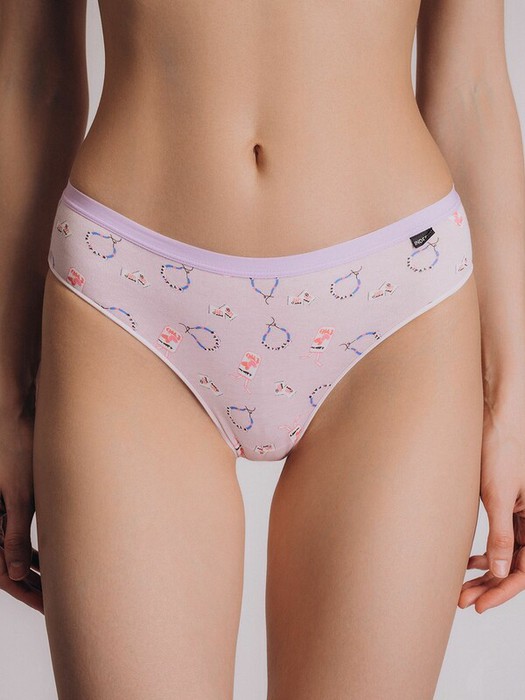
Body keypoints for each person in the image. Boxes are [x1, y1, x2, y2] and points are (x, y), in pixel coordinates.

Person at [1, 0, 524, 697]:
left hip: (397, 310)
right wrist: (9, 398)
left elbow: (473, 86)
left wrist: (510, 402)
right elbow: (33, 77)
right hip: (125, 298)